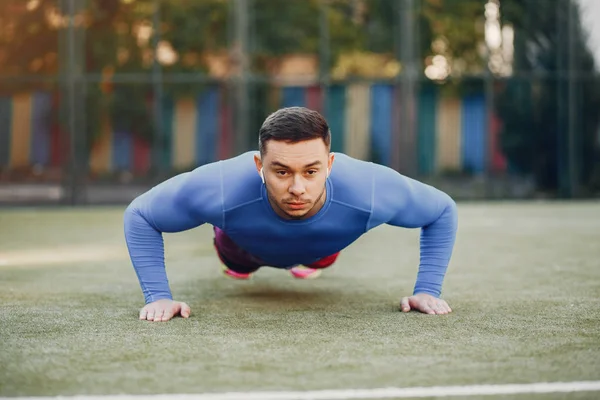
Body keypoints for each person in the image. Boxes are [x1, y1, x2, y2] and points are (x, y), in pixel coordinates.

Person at [124, 107, 458, 322]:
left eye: (311, 172)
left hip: (322, 247)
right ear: (259, 166)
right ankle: (242, 261)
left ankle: (307, 260)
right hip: (242, 247)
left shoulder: (370, 189)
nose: (297, 187)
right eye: (281, 172)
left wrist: (427, 290)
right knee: (238, 260)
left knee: (320, 255)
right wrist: (159, 298)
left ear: (330, 165)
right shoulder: (221, 186)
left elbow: (442, 209)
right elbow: (140, 215)